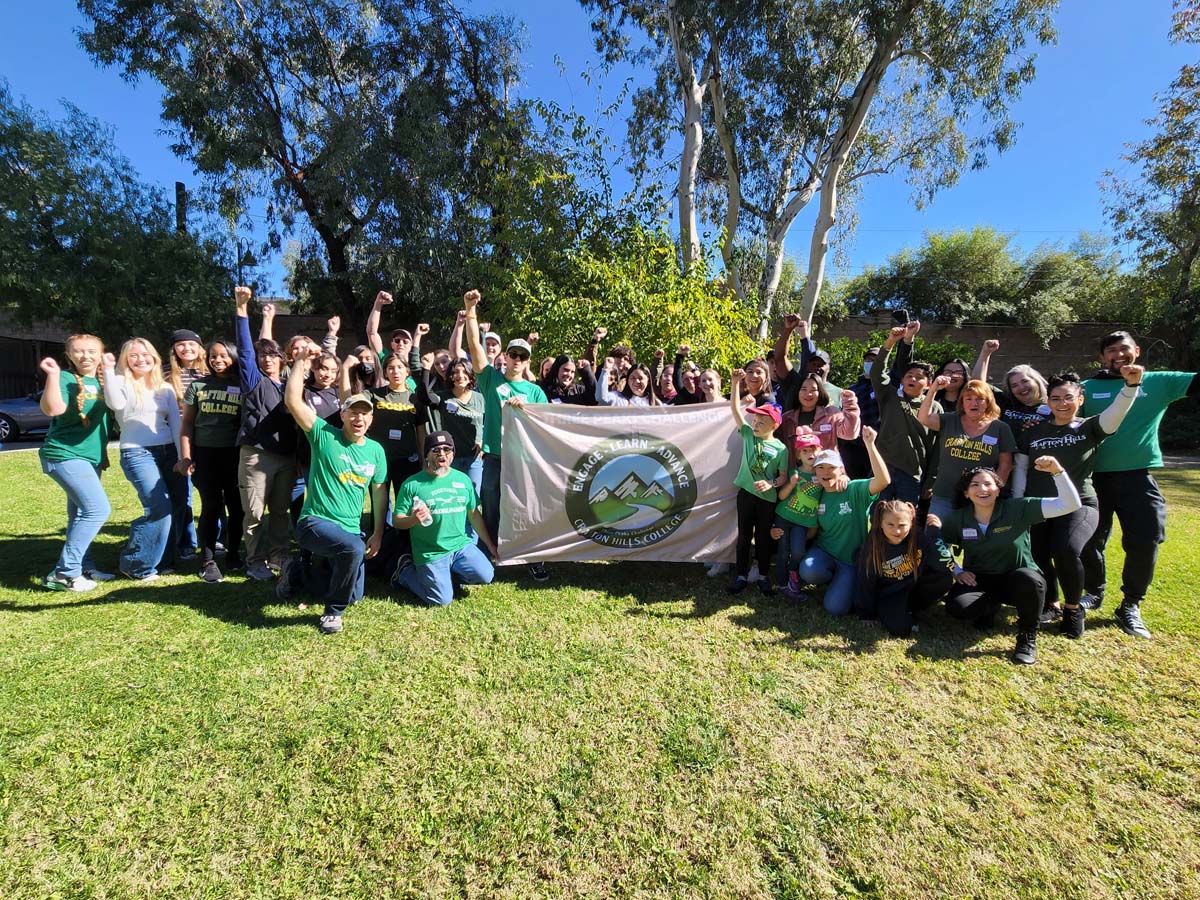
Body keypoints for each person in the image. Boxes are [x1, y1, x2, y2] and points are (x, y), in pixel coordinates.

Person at [1080, 331, 1199, 638]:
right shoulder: (1085, 388)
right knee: (1089, 540)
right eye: (1110, 351)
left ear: (1136, 350)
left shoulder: (1160, 381)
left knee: (1146, 539)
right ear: (1102, 357)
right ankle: (1093, 592)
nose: (1118, 355)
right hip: (1093, 479)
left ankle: (1130, 603)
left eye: (1123, 348)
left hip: (1138, 477)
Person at [1012, 367, 1141, 637]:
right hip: (1039, 504)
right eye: (1056, 398)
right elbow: (1021, 469)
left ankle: (1073, 609)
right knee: (1038, 554)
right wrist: (1017, 504)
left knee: (1066, 550)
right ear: (1048, 401)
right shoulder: (1033, 431)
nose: (1062, 403)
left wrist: (1130, 386)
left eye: (1068, 397)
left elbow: (1116, 414)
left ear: (1080, 400)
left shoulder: (1089, 427)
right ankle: (1051, 603)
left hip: (1080, 504)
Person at [275, 351, 388, 634]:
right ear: (343, 415)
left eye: (364, 414)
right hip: (315, 522)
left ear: (371, 420)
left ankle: (297, 572)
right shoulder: (324, 434)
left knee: (356, 593)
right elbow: (292, 401)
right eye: (353, 412)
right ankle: (333, 612)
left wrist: (377, 533)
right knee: (351, 550)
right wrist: (300, 361)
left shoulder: (376, 451)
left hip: (350, 529)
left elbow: (379, 493)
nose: (359, 418)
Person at [938, 460, 1082, 665]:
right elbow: (939, 544)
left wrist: (1058, 472)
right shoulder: (958, 518)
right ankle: (990, 607)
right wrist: (957, 570)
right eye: (975, 485)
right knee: (958, 607)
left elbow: (1070, 504)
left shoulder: (1018, 508)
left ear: (998, 488)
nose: (982, 489)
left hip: (1017, 578)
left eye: (988, 484)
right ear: (966, 493)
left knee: (1030, 581)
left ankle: (1027, 637)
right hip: (981, 579)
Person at [462, 289, 549, 580]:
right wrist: (470, 311)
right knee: (492, 505)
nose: (516, 359)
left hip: (524, 459)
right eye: (512, 354)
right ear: (505, 356)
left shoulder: (535, 391)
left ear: (527, 363)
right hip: (495, 457)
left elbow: (547, 425)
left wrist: (526, 408)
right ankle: (493, 554)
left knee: (527, 509)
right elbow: (474, 346)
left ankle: (532, 557)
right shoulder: (491, 380)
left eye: (522, 357)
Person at [102, 338, 187, 581]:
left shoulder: (165, 387)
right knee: (158, 507)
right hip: (137, 451)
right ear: (125, 360)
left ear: (155, 358)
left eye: (145, 354)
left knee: (178, 504)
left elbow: (176, 423)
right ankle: (136, 564)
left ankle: (164, 560)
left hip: (169, 450)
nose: (141, 359)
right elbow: (115, 403)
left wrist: (183, 457)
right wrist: (108, 370)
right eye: (134, 355)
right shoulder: (119, 382)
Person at [38, 335, 113, 591]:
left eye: (91, 351)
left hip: (90, 458)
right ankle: (65, 573)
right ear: (69, 355)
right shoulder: (66, 379)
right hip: (64, 454)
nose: (86, 356)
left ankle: (84, 567)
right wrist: (52, 375)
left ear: (101, 354)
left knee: (80, 514)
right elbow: (53, 409)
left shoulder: (104, 381)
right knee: (97, 510)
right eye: (79, 352)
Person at [234, 286, 298, 581]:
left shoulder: (289, 386)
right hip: (258, 457)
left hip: (286, 457)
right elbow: (247, 349)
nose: (268, 359)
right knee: (255, 513)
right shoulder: (252, 381)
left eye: (274, 355)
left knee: (281, 512)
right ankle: (254, 561)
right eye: (265, 356)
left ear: (282, 359)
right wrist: (242, 310)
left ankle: (278, 556)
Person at [390, 431, 498, 606]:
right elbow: (397, 520)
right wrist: (413, 520)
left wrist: (490, 545)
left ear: (453, 453)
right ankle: (405, 572)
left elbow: (474, 514)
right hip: (431, 552)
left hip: (460, 546)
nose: (442, 454)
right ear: (426, 455)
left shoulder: (463, 480)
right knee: (441, 600)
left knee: (486, 575)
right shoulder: (412, 484)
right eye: (435, 450)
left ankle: (449, 574)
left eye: (447, 449)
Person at [798, 427, 890, 616]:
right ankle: (833, 577)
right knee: (808, 571)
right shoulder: (816, 491)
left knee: (835, 608)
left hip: (850, 560)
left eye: (831, 467)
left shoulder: (854, 490)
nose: (826, 472)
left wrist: (870, 445)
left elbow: (883, 481)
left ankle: (845, 580)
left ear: (841, 470)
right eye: (821, 467)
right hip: (824, 551)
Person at [178, 340, 245, 583]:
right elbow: (186, 424)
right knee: (211, 506)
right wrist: (186, 457)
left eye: (224, 356)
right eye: (213, 356)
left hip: (235, 455)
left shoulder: (242, 385)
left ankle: (234, 553)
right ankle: (207, 560)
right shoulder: (198, 386)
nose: (218, 360)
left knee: (237, 508)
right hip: (205, 454)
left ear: (234, 357)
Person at [917, 377, 1015, 522]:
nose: (973, 403)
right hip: (945, 495)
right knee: (936, 539)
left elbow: (1006, 465)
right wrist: (933, 390)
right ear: (962, 402)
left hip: (980, 499)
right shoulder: (950, 420)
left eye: (980, 398)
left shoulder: (1000, 428)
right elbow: (923, 419)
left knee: (972, 541)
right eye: (968, 398)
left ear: (988, 402)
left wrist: (992, 493)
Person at [854, 502, 955, 637]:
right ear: (880, 523)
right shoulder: (873, 546)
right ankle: (895, 610)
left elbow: (944, 562)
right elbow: (865, 581)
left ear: (911, 523)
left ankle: (913, 608)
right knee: (901, 630)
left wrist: (935, 533)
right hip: (890, 593)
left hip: (912, 585)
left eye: (902, 525)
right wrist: (866, 614)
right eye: (890, 525)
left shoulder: (919, 537)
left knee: (944, 579)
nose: (896, 531)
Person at [727, 371, 787, 595]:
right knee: (743, 537)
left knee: (762, 539)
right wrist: (735, 383)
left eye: (762, 420)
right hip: (745, 495)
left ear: (774, 424)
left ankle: (763, 576)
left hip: (767, 500)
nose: (756, 422)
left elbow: (783, 477)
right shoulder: (748, 435)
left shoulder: (781, 448)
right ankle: (740, 575)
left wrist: (771, 483)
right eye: (755, 418)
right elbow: (734, 409)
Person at [872, 325, 940, 505]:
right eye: (909, 376)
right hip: (883, 467)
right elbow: (877, 373)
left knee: (906, 520)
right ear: (902, 380)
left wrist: (931, 478)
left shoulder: (935, 407)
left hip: (912, 473)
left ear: (928, 383)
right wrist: (890, 342)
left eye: (919, 377)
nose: (912, 379)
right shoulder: (890, 395)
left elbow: (937, 446)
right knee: (876, 514)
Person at [416, 358, 485, 500]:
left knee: (473, 495)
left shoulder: (481, 398)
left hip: (474, 458)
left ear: (471, 374)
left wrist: (483, 440)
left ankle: (470, 523)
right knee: (453, 496)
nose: (460, 375)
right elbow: (424, 397)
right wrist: (426, 369)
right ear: (450, 376)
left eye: (464, 371)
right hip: (450, 457)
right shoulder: (442, 397)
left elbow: (489, 423)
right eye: (456, 372)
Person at [165, 329, 207, 559]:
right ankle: (186, 542)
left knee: (212, 493)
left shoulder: (210, 371)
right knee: (184, 493)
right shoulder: (165, 375)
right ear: (174, 349)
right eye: (181, 345)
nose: (186, 349)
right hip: (178, 439)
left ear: (200, 347)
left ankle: (216, 539)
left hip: (208, 438)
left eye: (191, 344)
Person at [771, 426, 823, 600]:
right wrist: (792, 484)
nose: (810, 454)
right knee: (783, 552)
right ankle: (782, 584)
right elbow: (781, 495)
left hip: (803, 522)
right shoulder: (794, 473)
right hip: (784, 517)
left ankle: (793, 571)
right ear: (798, 455)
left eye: (814, 450)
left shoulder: (823, 475)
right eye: (805, 451)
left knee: (799, 551)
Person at [974, 340, 1051, 431]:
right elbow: (977, 385)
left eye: (1025, 381)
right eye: (1014, 385)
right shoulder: (1006, 402)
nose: (1021, 387)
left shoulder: (1054, 406)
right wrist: (985, 353)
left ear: (1036, 381)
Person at [773, 315, 841, 409]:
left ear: (828, 367)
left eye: (821, 364)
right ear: (807, 365)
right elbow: (780, 359)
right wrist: (788, 330)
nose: (817, 367)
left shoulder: (839, 393)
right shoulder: (795, 383)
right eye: (813, 364)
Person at [776, 376, 860, 451]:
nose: (808, 394)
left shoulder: (831, 414)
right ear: (797, 391)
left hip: (826, 467)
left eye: (813, 390)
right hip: (795, 468)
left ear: (820, 392)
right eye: (804, 389)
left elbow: (850, 434)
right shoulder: (787, 418)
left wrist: (850, 405)